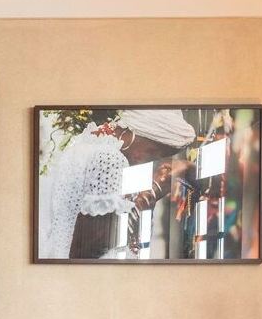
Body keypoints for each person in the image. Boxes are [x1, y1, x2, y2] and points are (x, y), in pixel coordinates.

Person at [45, 109, 196, 259]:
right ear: (139, 133)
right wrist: (153, 191)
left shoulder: (90, 140)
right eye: (152, 153)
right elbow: (94, 248)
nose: (147, 162)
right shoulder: (110, 158)